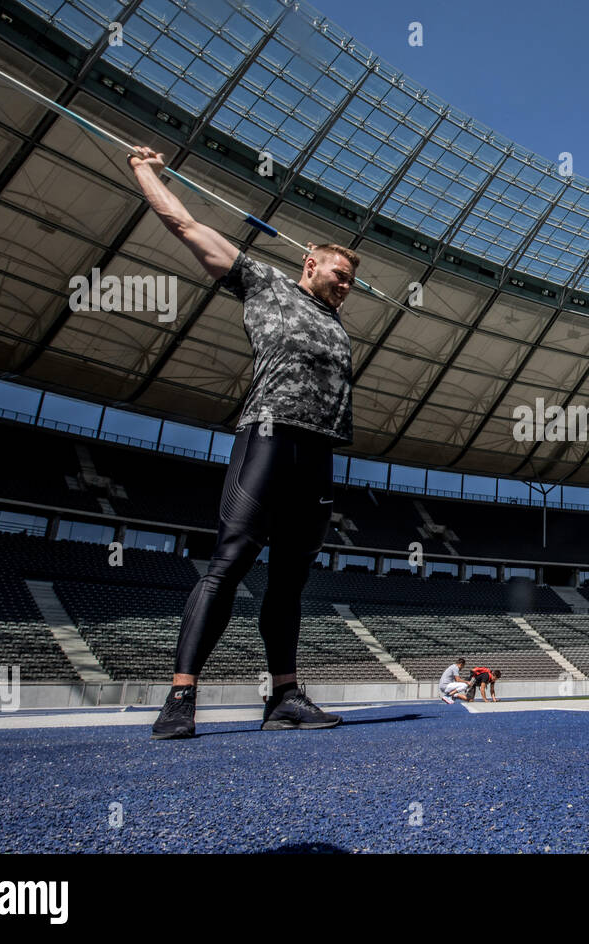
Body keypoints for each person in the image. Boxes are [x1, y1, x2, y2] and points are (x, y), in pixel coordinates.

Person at [129, 145, 356, 738]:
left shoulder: (337, 325)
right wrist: (144, 171)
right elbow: (184, 225)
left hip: (319, 452)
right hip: (269, 437)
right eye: (341, 274)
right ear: (311, 263)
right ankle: (181, 698)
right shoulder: (265, 284)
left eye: (353, 281)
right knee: (230, 562)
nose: (347, 286)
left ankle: (283, 696)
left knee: (289, 582)